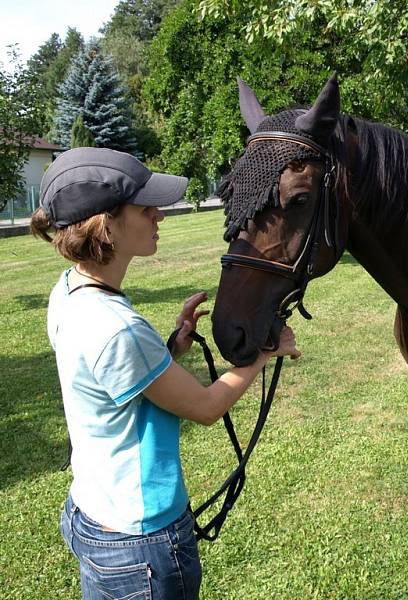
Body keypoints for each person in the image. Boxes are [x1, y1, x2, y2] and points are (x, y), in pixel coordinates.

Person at [30, 147, 301, 600]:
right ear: (106, 224)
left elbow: (119, 382)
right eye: (145, 207)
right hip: (141, 547)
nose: (160, 214)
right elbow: (206, 406)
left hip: (93, 516)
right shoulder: (117, 328)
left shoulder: (69, 294)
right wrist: (265, 353)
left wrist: (174, 344)